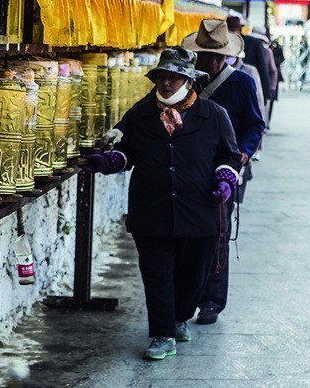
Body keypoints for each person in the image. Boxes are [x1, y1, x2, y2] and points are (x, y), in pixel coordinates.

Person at [83, 46, 242, 360]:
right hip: (152, 211)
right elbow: (127, 154)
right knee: (157, 274)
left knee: (193, 275)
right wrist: (107, 162)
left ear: (189, 81)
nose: (166, 83)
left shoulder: (213, 115)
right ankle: (162, 334)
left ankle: (180, 316)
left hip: (199, 212)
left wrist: (224, 179)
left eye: (174, 77)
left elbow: (230, 155)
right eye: (161, 77)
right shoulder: (140, 115)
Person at [181, 19, 266, 325]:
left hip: (225, 169)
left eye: (218, 56)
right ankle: (186, 297)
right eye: (207, 55)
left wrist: (244, 152)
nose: (213, 61)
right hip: (188, 168)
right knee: (186, 235)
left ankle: (212, 301)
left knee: (218, 234)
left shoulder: (242, 83)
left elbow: (255, 124)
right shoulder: (185, 82)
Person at [228, 16, 271, 102]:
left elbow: (263, 69)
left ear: (240, 30)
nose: (232, 34)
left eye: (233, 30)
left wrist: (265, 95)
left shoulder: (254, 44)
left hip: (251, 88)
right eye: (229, 31)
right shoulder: (223, 44)